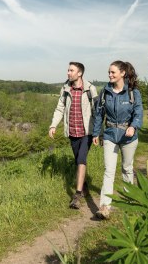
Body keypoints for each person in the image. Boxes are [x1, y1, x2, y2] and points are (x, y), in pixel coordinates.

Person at [92, 60, 143, 219]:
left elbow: (138, 113)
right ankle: (105, 207)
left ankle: (130, 201)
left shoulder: (133, 93)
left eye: (113, 72)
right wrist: (96, 133)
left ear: (122, 73)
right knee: (109, 171)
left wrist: (133, 126)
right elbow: (99, 114)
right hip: (110, 135)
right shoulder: (105, 92)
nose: (110, 75)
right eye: (109, 72)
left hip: (128, 137)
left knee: (127, 169)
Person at [49, 62, 98, 209]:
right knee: (78, 160)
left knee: (81, 159)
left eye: (71, 70)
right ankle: (84, 186)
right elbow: (60, 108)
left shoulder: (90, 89)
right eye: (68, 70)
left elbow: (97, 111)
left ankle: (77, 195)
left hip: (86, 132)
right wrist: (53, 125)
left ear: (80, 73)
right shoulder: (65, 89)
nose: (68, 73)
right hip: (72, 132)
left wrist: (98, 132)